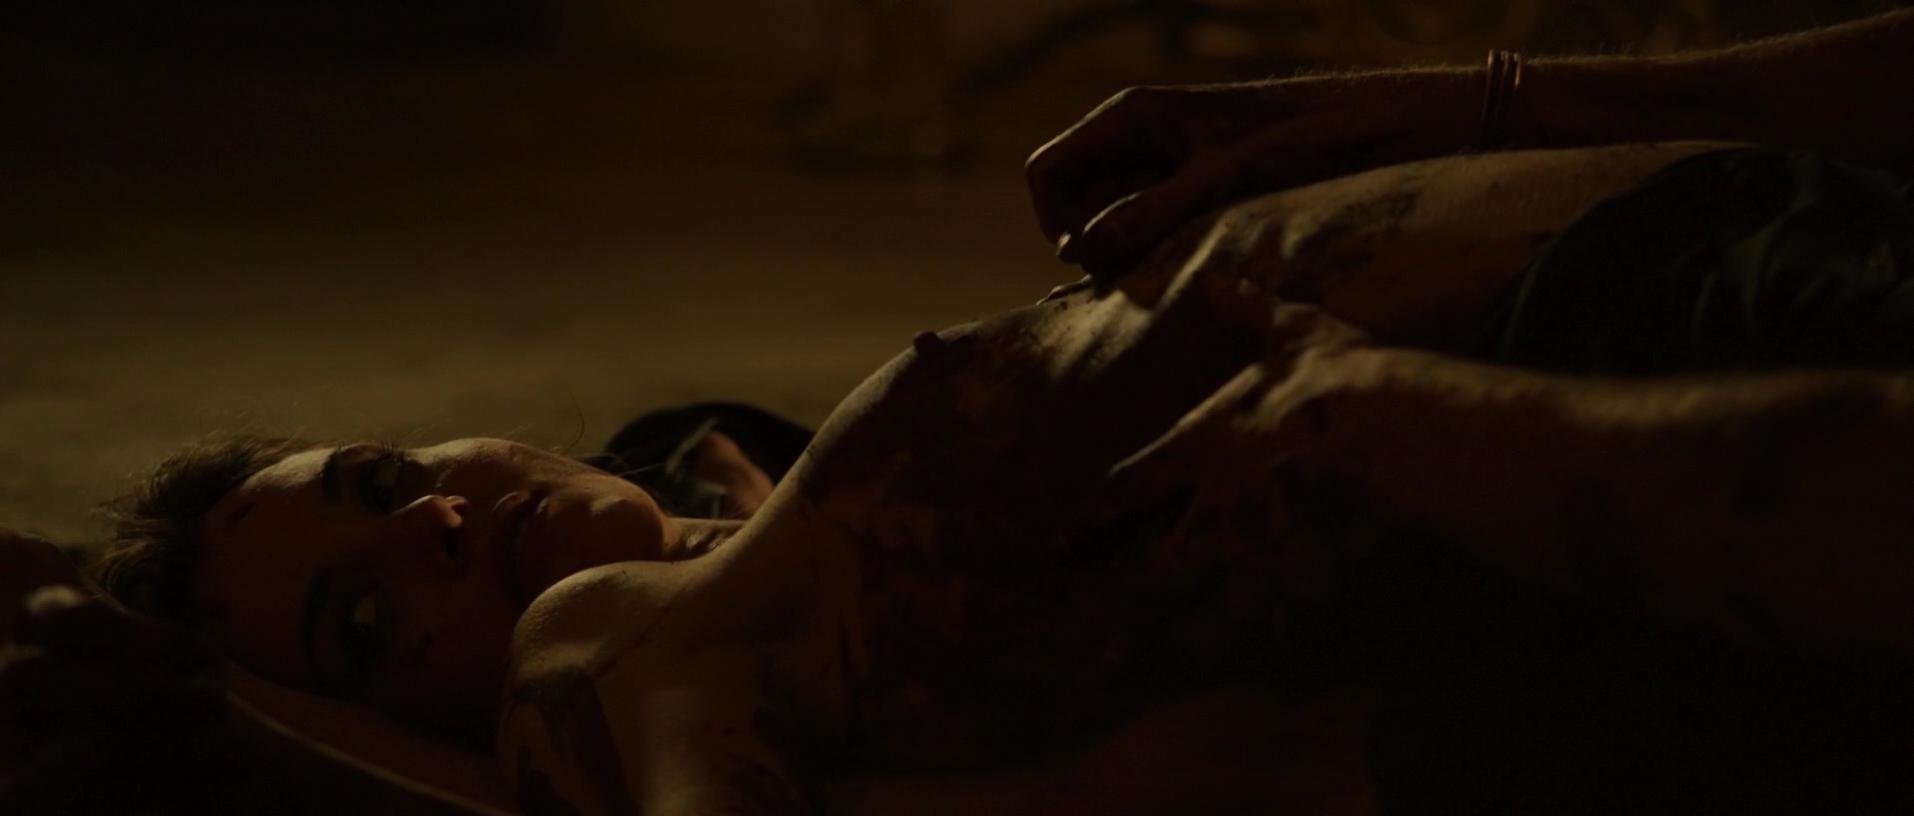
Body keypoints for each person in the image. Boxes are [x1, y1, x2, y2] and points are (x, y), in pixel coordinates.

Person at [8, 9, 1914, 814]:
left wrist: (1458, 107)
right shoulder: (620, 648)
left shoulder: (729, 476)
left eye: (378, 477)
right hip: (1686, 379)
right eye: (368, 615)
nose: (428, 523)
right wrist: (229, 738)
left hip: (1744, 251)